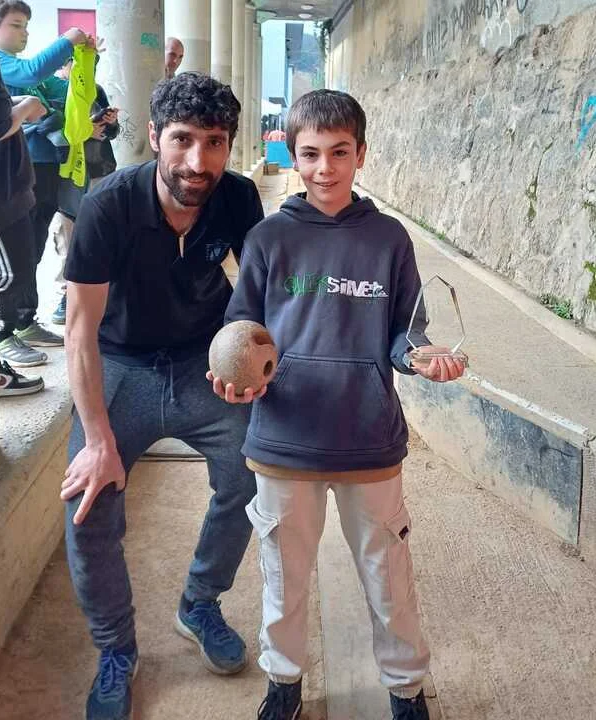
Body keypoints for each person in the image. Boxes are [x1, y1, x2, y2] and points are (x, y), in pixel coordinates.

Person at [212, 89, 465, 720]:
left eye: (339, 152)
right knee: (284, 576)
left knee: (389, 575)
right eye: (311, 154)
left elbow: (405, 331)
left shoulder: (389, 238)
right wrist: (237, 377)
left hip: (368, 437)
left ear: (361, 154)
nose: (325, 168)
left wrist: (421, 356)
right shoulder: (268, 238)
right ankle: (283, 682)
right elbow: (241, 331)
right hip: (283, 439)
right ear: (291, 156)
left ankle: (406, 689)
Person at [60, 72, 264, 720]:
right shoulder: (109, 205)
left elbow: (256, 295)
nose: (197, 161)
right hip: (121, 365)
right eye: (182, 140)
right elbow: (79, 330)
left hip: (202, 363)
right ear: (153, 137)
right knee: (87, 506)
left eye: (214, 142)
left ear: (228, 145)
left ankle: (199, 602)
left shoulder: (237, 198)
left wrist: (251, 366)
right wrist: (97, 441)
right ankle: (116, 649)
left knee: (251, 473)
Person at [0, 0, 91, 362]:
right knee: (13, 261)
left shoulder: (14, 67)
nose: (24, 33)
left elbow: (61, 99)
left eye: (26, 26)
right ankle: (2, 332)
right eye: (16, 25)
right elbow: (32, 74)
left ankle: (24, 320)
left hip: (38, 170)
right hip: (12, 175)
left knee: (30, 251)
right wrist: (69, 40)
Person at [48, 55, 120, 326]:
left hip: (100, 169)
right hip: (67, 174)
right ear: (65, 64)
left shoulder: (95, 90)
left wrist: (109, 123)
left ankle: (102, 294)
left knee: (102, 232)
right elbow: (49, 130)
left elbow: (112, 132)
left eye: (94, 64)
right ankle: (67, 296)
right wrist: (84, 130)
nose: (90, 69)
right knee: (67, 234)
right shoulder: (53, 89)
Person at [0, 51, 47, 392]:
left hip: (11, 189)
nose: (24, 33)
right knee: (6, 277)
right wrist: (27, 106)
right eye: (16, 26)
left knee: (21, 270)